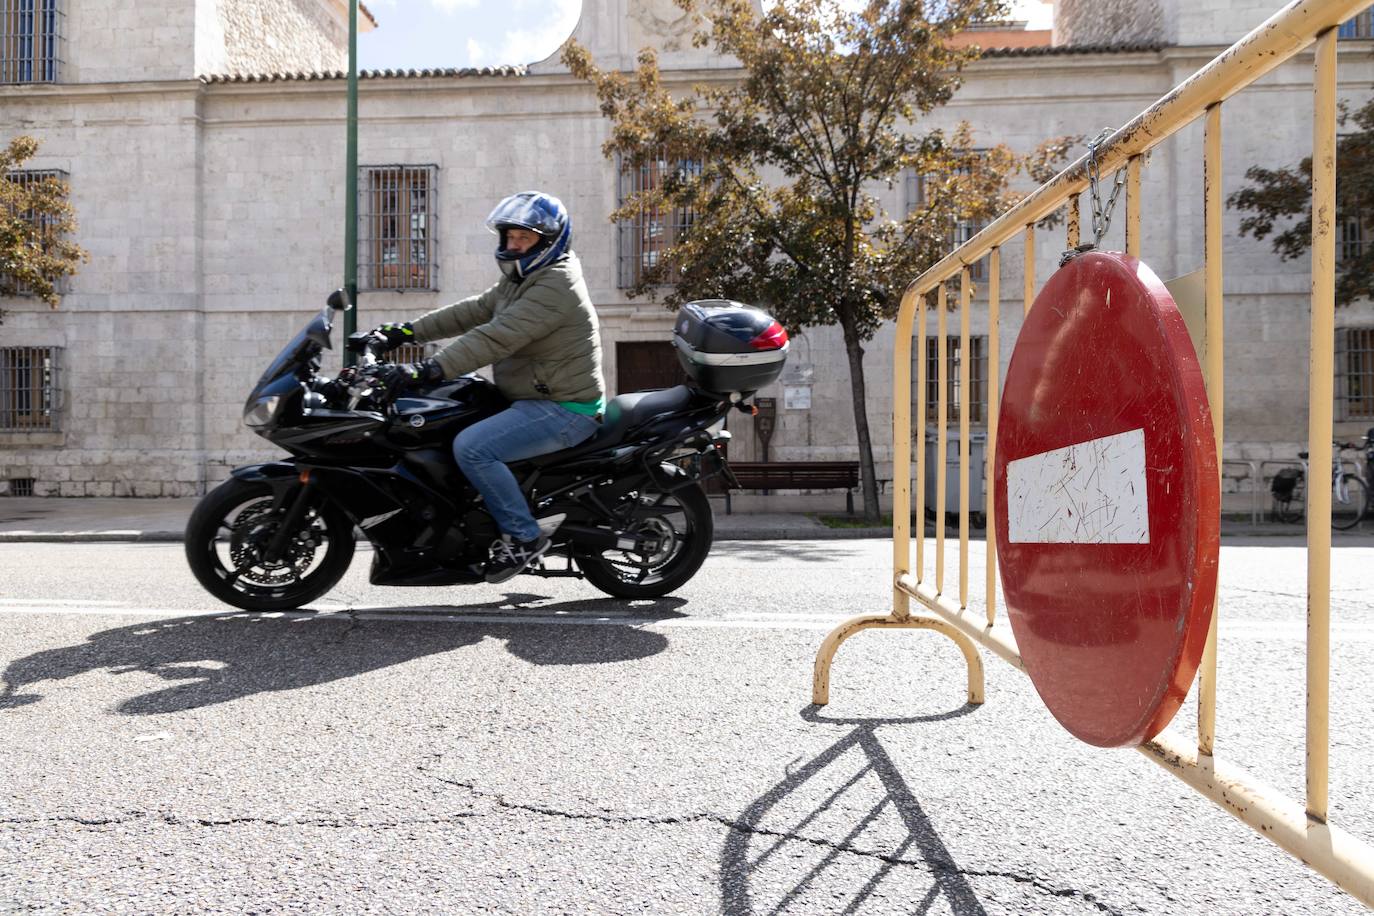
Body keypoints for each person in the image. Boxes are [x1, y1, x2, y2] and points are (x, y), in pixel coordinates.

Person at [360, 191, 605, 584]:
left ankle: (525, 537)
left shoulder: (554, 286)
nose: (512, 246)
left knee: (473, 448)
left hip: (563, 408)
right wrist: (403, 332)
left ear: (548, 240)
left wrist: (427, 369)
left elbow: (494, 338)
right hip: (530, 397)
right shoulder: (523, 277)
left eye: (522, 239)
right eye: (508, 237)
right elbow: (474, 311)